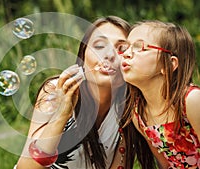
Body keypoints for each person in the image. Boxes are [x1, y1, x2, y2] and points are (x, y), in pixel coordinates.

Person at [15, 16, 131, 169]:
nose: (110, 55)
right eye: (99, 46)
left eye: (121, 49)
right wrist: (63, 112)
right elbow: (26, 168)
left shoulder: (129, 109)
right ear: (83, 54)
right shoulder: (55, 91)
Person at [120, 20, 200, 168]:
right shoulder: (139, 114)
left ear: (169, 65)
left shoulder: (191, 101)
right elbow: (165, 165)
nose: (126, 54)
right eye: (125, 47)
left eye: (139, 47)